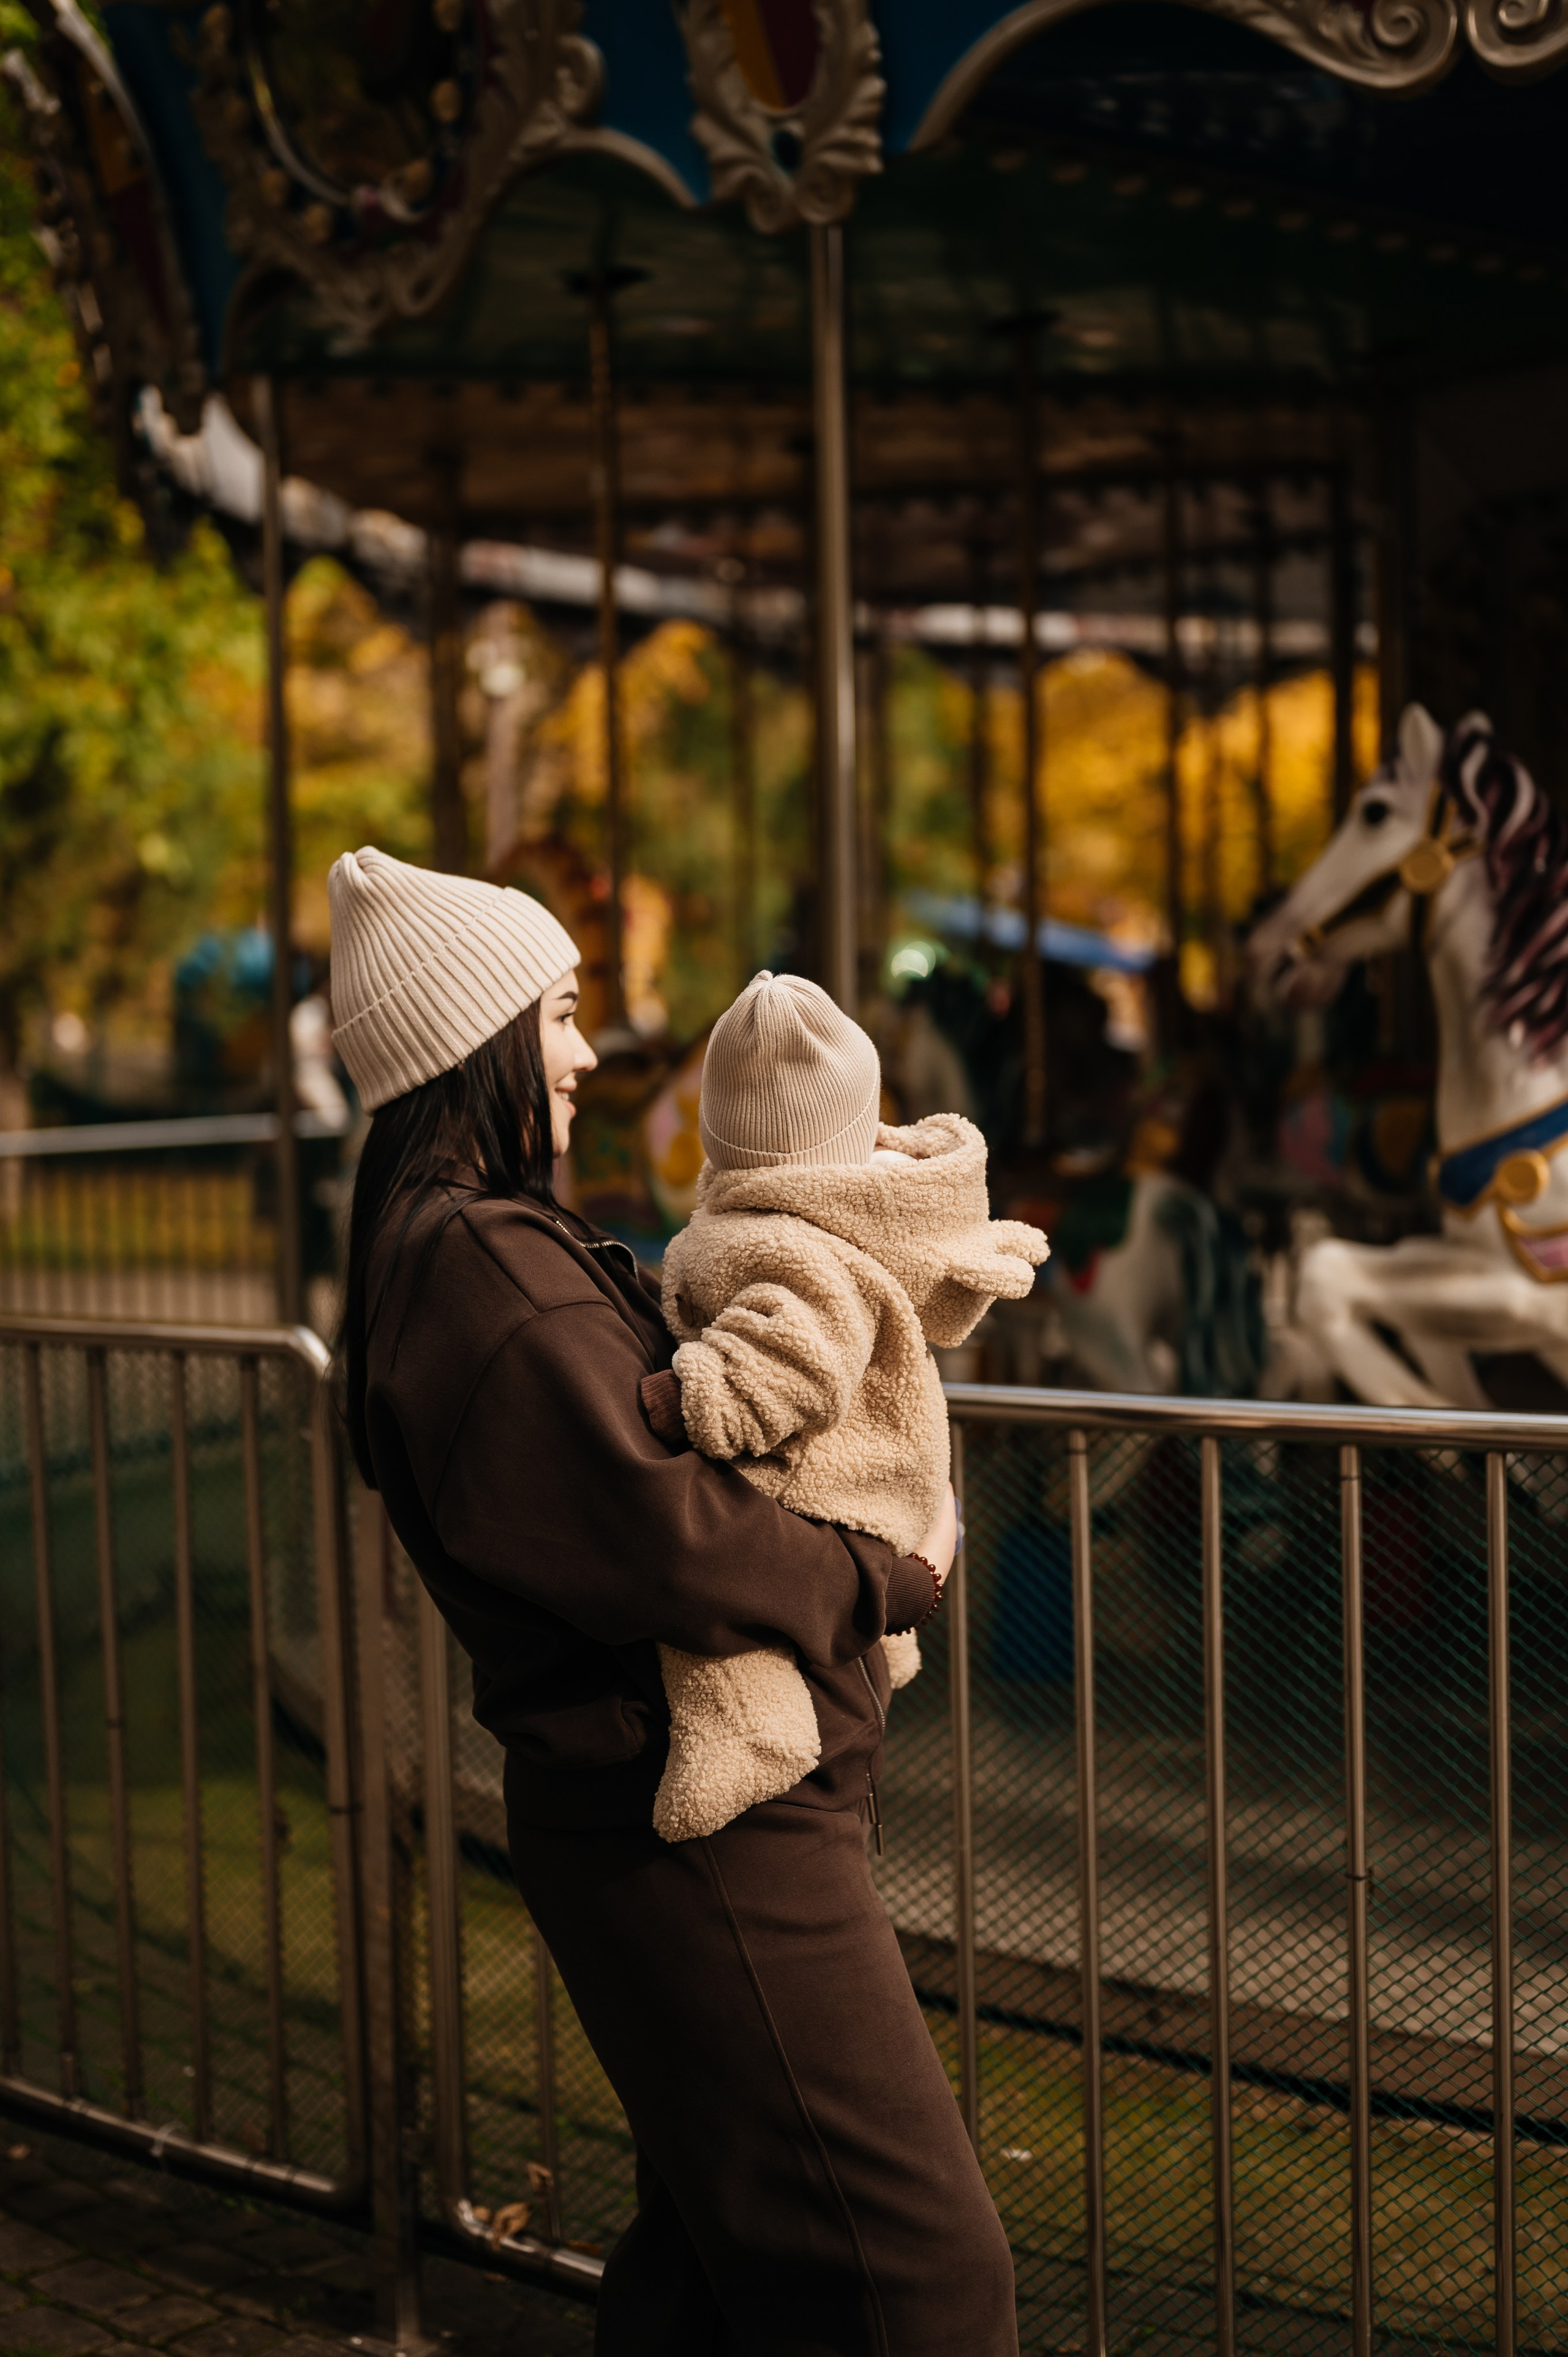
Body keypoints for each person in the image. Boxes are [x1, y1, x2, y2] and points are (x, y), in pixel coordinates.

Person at [328, 848, 1018, 2357]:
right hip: (699, 1831)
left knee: (723, 2267)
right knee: (924, 2279)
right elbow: (654, 1526)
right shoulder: (475, 1269)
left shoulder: (468, 1248)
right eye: (560, 1016)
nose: (582, 1051)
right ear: (476, 1040)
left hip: (687, 1815)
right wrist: (876, 1577)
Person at [646, 969, 1047, 1844]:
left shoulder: (788, 1252)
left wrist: (695, 1397)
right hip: (875, 1507)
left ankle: (745, 1734)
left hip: (826, 1493)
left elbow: (786, 1368)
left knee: (716, 1640)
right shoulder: (819, 1223)